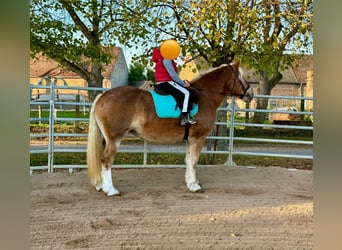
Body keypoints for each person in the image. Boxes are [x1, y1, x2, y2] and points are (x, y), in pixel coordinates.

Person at [152, 47, 197, 126]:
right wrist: (183, 84)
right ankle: (185, 116)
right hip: (167, 82)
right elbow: (173, 75)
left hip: (161, 82)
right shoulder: (167, 59)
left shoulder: (160, 58)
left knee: (179, 93)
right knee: (186, 93)